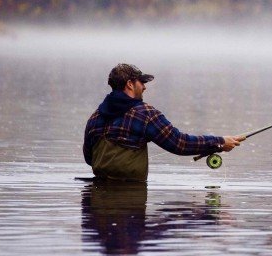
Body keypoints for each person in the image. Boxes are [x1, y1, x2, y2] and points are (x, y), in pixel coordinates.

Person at [83, 63, 245, 181]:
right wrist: (220, 142)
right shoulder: (144, 114)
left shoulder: (95, 117)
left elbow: (89, 158)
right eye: (142, 82)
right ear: (130, 84)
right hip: (130, 198)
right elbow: (179, 143)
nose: (145, 87)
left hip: (98, 204)